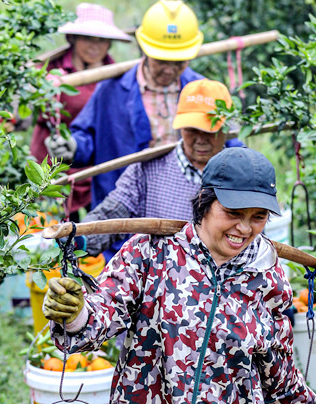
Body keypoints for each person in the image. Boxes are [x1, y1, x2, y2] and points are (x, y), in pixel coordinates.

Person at [42, 147, 316, 404]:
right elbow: (104, 312)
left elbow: (277, 359)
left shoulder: (268, 278)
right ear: (206, 202)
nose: (245, 228)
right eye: (233, 212)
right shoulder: (152, 255)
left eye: (258, 216)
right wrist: (76, 314)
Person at [44, 0, 244, 211]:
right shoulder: (111, 91)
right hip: (122, 207)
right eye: (161, 61)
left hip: (182, 206)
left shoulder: (203, 92)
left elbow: (228, 143)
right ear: (144, 51)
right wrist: (72, 147)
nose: (169, 70)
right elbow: (88, 138)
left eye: (179, 62)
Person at [77, 78, 232, 259]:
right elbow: (113, 213)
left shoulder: (240, 175)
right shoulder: (147, 169)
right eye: (192, 130)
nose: (200, 139)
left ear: (225, 128)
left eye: (210, 130)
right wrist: (79, 236)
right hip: (156, 282)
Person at [29, 3, 132, 218]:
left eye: (101, 40)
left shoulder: (116, 76)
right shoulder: (49, 71)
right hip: (54, 162)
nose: (95, 46)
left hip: (95, 168)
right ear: (72, 39)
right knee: (49, 232)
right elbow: (30, 106)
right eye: (88, 39)